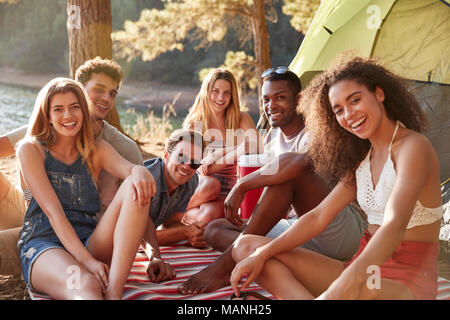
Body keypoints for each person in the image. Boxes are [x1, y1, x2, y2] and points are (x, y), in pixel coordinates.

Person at [230, 56, 443, 300]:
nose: (349, 115)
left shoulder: (413, 147)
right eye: (338, 110)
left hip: (406, 283)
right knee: (245, 247)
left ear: (380, 93)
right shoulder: (362, 158)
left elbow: (393, 227)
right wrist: (262, 254)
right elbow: (318, 217)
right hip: (360, 270)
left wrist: (337, 291)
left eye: (355, 100)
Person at [177, 67, 366, 295]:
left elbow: (298, 165)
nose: (271, 106)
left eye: (280, 98)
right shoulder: (273, 136)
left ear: (299, 100)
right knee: (215, 229)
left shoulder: (317, 131)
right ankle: (274, 260)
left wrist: (242, 185)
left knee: (287, 174)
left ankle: (224, 267)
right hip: (299, 228)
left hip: (338, 229)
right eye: (266, 99)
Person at [0, 57, 143, 275]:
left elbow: (140, 207)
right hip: (34, 215)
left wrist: (155, 255)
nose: (106, 98)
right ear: (79, 89)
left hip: (86, 232)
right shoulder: (48, 124)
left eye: (112, 93)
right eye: (99, 89)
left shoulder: (122, 147)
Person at [17, 78, 156, 300]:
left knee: (134, 183)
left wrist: (139, 171)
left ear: (83, 110)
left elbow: (131, 171)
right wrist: (89, 263)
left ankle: (114, 292)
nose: (68, 116)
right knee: (87, 287)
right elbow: (54, 214)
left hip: (90, 239)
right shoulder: (31, 150)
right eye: (58, 109)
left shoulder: (97, 149)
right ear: (48, 116)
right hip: (47, 243)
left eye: (74, 107)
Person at [181, 68, 260, 225]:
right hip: (199, 186)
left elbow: (257, 149)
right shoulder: (195, 123)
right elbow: (204, 169)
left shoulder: (241, 118)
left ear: (232, 96)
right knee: (211, 184)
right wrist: (237, 150)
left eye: (226, 93)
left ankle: (185, 221)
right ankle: (173, 214)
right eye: (215, 91)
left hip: (227, 191)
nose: (220, 98)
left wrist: (221, 152)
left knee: (206, 219)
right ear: (207, 92)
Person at [140, 129, 207, 282]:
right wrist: (185, 232)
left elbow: (171, 224)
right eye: (181, 157)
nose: (187, 167)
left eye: (195, 163)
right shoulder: (148, 179)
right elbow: (137, 236)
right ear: (166, 155)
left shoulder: (191, 182)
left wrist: (195, 231)